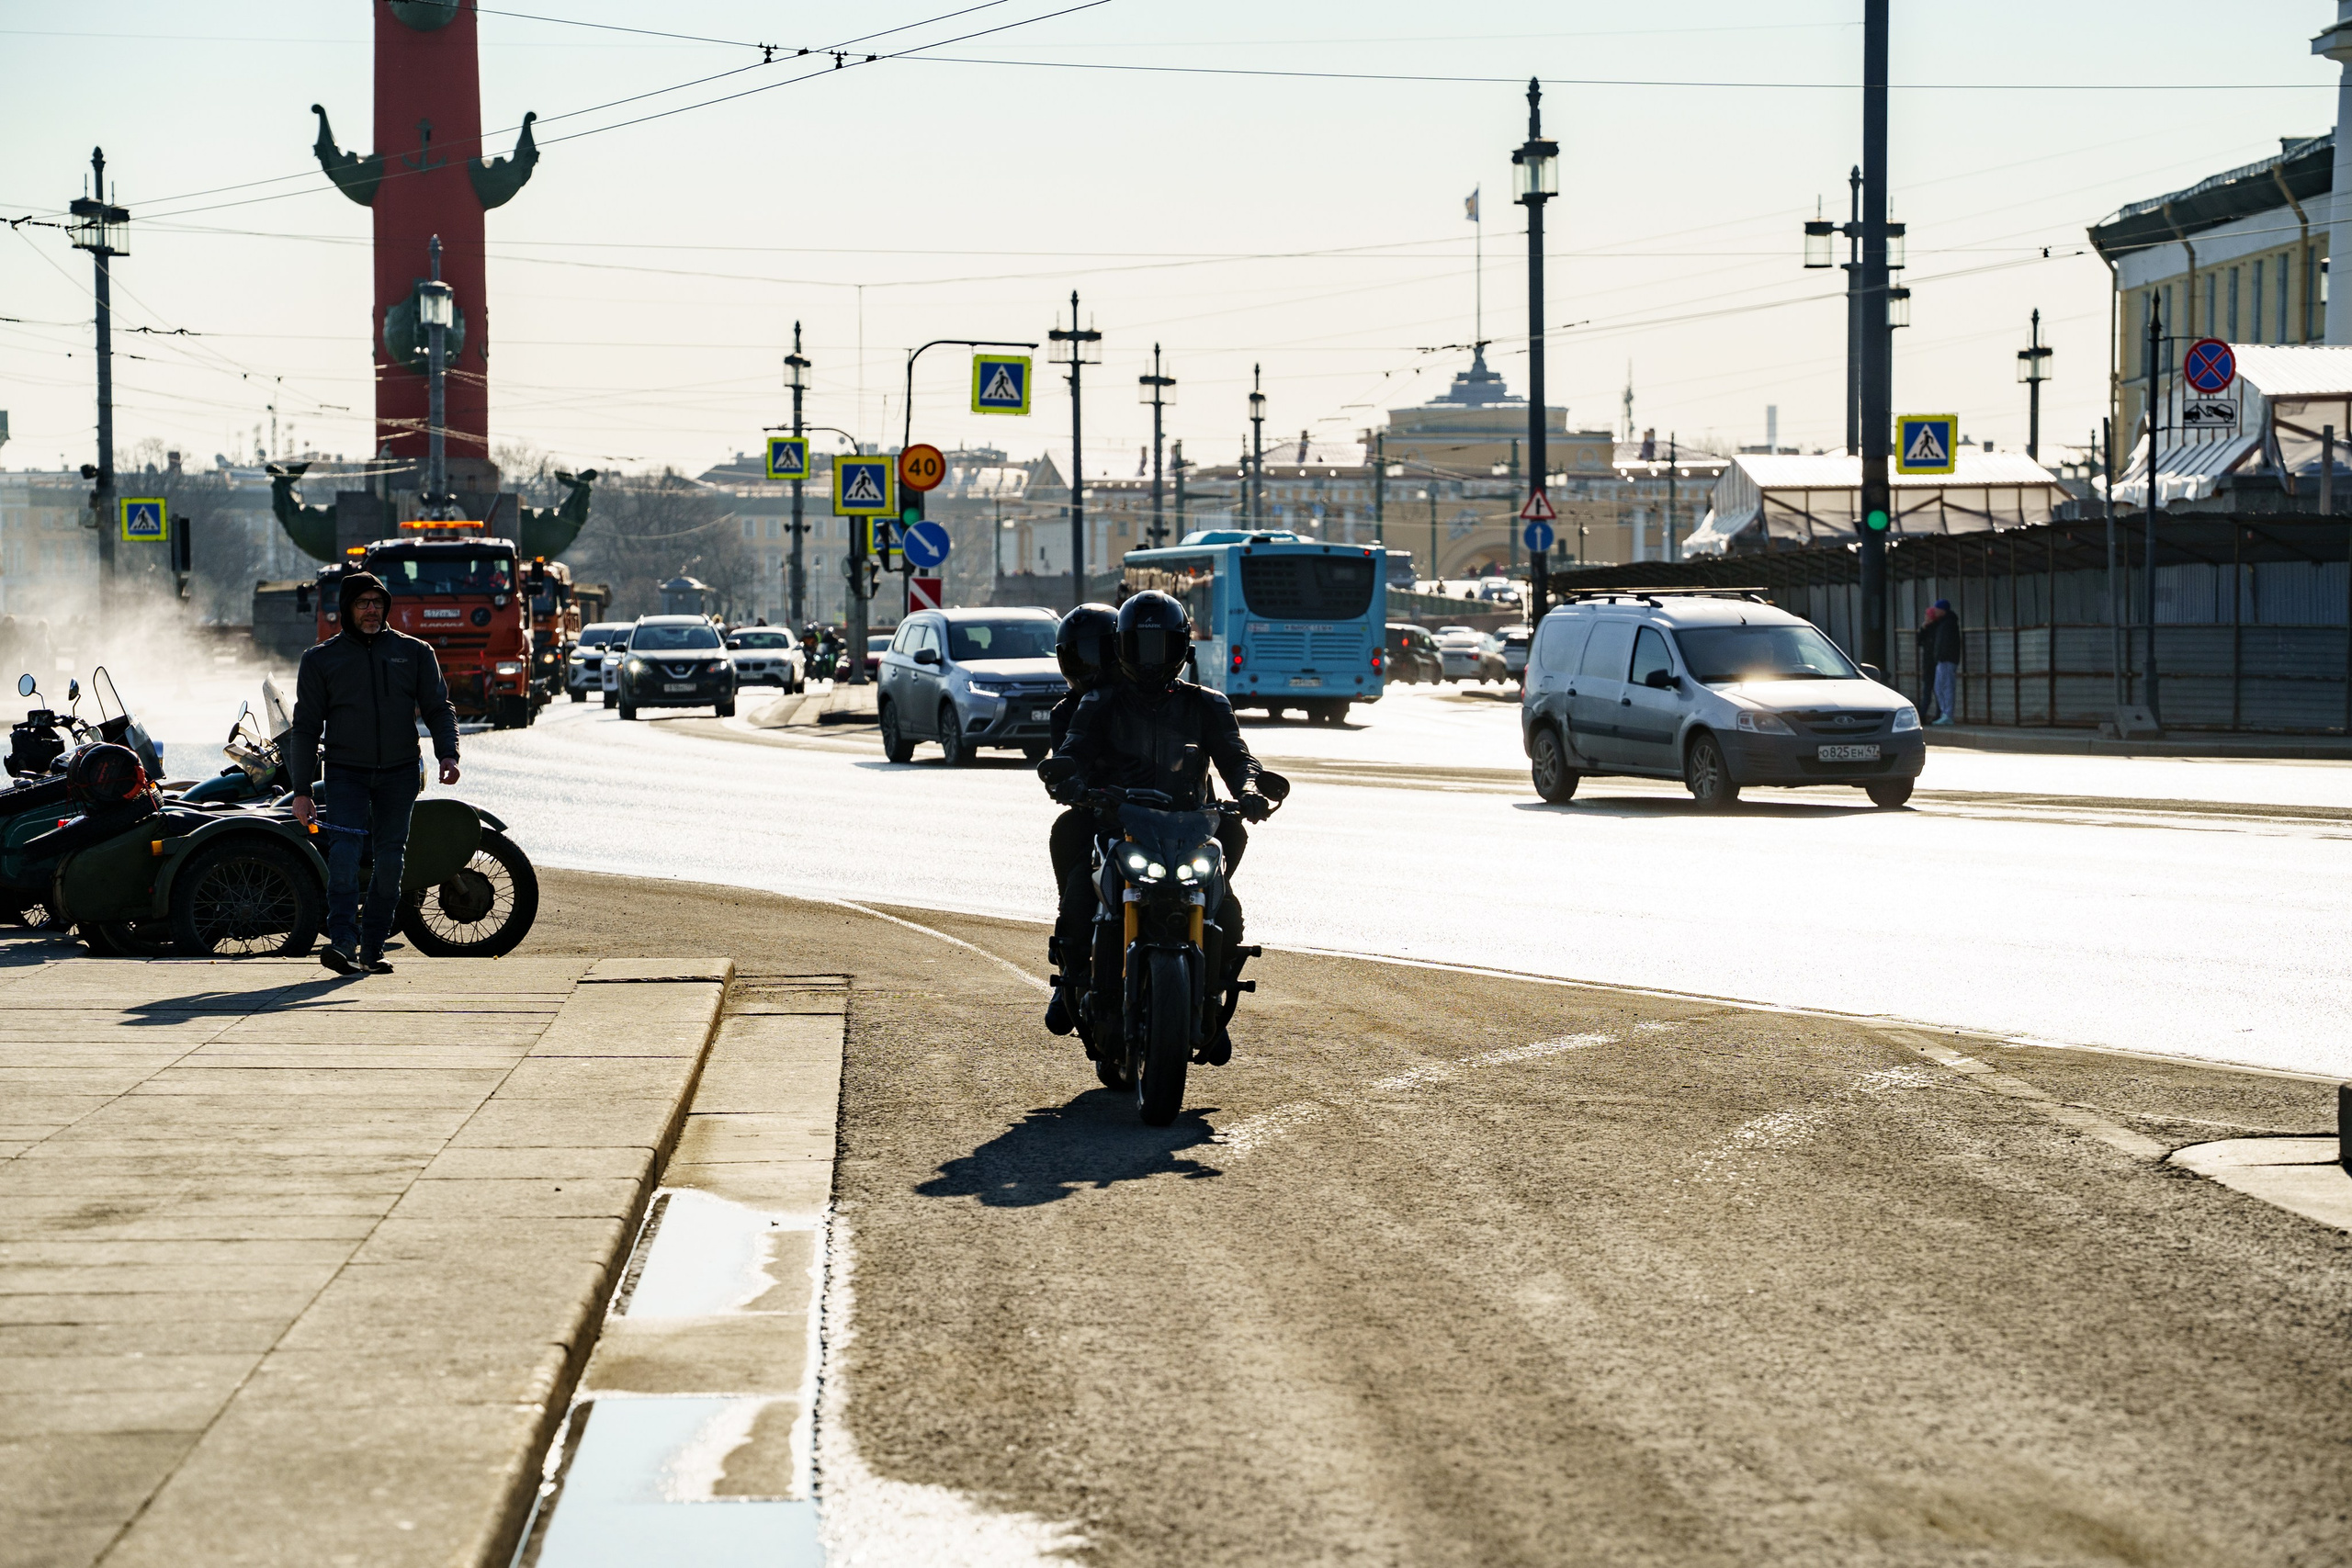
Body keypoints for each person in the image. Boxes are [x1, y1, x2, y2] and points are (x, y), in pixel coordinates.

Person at [1046, 590, 1279, 1065]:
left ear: (1182, 650)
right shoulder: (1098, 702)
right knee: (1078, 890)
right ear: (1121, 648)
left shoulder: (1208, 704)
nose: (1150, 661)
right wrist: (1066, 774)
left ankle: (1211, 997)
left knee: (1226, 905)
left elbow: (1237, 756)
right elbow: (1074, 747)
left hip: (1190, 826)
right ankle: (1073, 974)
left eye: (1161, 648)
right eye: (1139, 647)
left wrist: (1251, 789)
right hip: (1121, 825)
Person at [288, 570, 461, 975]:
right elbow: (307, 727)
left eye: (378, 603)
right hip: (345, 773)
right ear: (346, 609)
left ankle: (373, 945)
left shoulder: (413, 652)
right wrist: (301, 790)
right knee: (345, 859)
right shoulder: (321, 659)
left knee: (390, 862)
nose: (371, 610)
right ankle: (343, 943)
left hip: (399, 773)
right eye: (363, 603)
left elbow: (438, 707)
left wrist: (448, 754)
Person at [1041, 603, 1121, 1038]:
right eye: (1078, 657)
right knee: (1071, 851)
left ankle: (1214, 981)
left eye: (1098, 653)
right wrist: (1076, 789)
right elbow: (1068, 761)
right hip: (1102, 816)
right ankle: (1070, 970)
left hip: (1175, 819)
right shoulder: (1067, 711)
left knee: (1229, 840)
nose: (1089, 666)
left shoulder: (1169, 699)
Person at [1917, 599, 1962, 726]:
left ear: (1942, 610)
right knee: (1939, 688)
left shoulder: (1948, 623)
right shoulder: (1944, 623)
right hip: (1941, 660)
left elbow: (1947, 643)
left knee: (1946, 687)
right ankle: (1944, 714)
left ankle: (1947, 715)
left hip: (1945, 660)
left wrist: (1941, 656)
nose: (1935, 612)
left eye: (1937, 609)